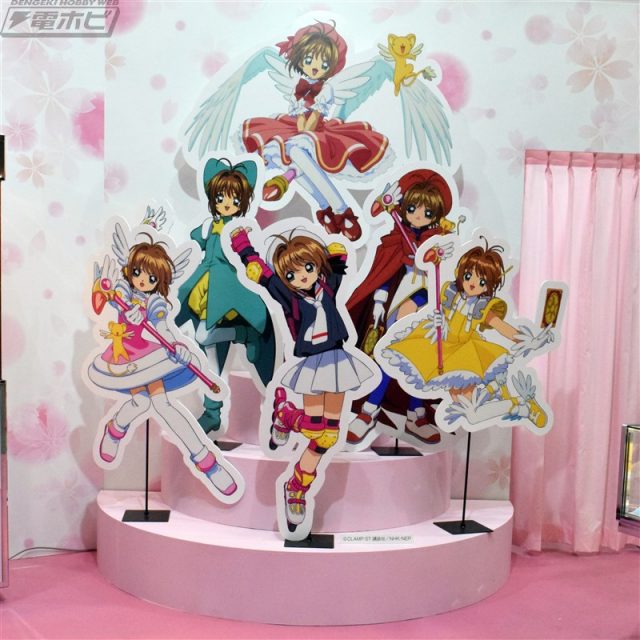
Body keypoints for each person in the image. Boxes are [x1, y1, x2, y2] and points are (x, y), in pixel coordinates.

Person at [230, 226, 374, 537]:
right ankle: (285, 415)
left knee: (328, 437)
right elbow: (260, 272)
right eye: (292, 274)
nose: (302, 277)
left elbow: (338, 262)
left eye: (308, 267)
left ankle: (297, 486)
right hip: (312, 364)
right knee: (313, 428)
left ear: (317, 266)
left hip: (337, 361)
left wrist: (338, 241)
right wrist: (242, 245)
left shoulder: (329, 286)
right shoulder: (288, 296)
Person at [88, 228, 239, 498]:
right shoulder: (124, 291)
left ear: (159, 280)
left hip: (149, 354)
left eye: (151, 277)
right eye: (138, 272)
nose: (142, 280)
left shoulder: (156, 302)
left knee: (162, 405)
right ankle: (115, 430)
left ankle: (207, 462)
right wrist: (120, 304)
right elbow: (108, 298)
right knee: (141, 402)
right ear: (130, 270)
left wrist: (177, 347)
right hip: (125, 355)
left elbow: (163, 328)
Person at [242, 21, 389, 241]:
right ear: (300, 58)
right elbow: (300, 122)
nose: (314, 67)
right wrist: (301, 122)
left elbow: (311, 123)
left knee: (296, 153)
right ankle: (329, 209)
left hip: (319, 132)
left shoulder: (326, 89)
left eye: (323, 63)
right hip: (297, 128)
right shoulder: (298, 87)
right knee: (290, 153)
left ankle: (338, 209)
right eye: (309, 60)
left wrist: (304, 127)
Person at [380, 240, 553, 428]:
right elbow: (424, 305)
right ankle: (519, 405)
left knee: (471, 411)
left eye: (482, 281)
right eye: (468, 275)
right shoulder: (449, 292)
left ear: (488, 286)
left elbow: (501, 326)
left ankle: (518, 404)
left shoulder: (482, 306)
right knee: (468, 410)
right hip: (440, 346)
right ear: (461, 273)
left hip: (465, 352)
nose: (472, 283)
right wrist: (433, 319)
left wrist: (528, 340)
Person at [347, 169, 454, 446]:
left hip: (426, 308)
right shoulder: (395, 240)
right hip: (395, 306)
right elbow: (383, 275)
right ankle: (369, 410)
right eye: (412, 208)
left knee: (416, 362)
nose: (418, 216)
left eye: (427, 212)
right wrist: (378, 304)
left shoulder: (440, 243)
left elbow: (443, 284)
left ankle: (415, 415)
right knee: (388, 357)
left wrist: (418, 302)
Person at [176, 158, 275, 435]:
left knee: (211, 337)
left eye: (234, 198)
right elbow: (194, 245)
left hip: (232, 290)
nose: (227, 203)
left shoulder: (242, 230)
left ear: (243, 201)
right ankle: (212, 412)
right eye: (220, 198)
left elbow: (251, 255)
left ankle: (246, 335)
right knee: (210, 355)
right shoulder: (209, 226)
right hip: (205, 289)